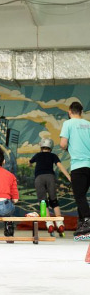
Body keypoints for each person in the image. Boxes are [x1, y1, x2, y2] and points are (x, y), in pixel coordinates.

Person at [60, 101, 90, 237]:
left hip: (78, 166)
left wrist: (67, 147)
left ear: (69, 111)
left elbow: (62, 144)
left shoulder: (68, 124)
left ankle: (87, 221)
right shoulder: (88, 124)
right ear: (81, 112)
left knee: (79, 196)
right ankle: (82, 224)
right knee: (82, 197)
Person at [29, 138, 70, 236]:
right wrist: (68, 176)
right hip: (50, 177)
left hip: (39, 178)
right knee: (53, 200)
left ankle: (49, 223)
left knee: (43, 201)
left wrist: (30, 164)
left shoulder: (37, 155)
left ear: (41, 146)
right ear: (51, 147)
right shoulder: (53, 156)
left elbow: (30, 162)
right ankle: (60, 223)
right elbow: (59, 165)